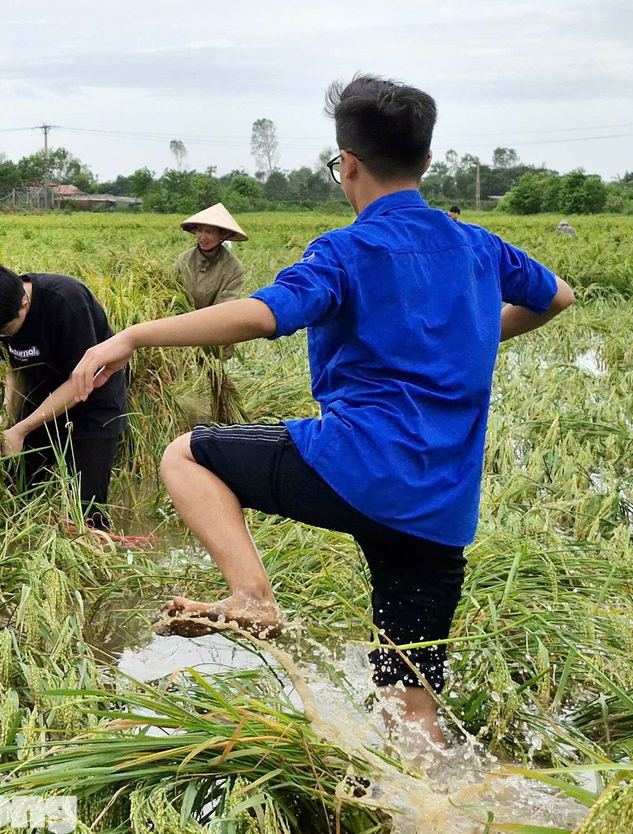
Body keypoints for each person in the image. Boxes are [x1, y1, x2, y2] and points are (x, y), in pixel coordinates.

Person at [70, 74, 574, 747]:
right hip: (441, 509)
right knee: (412, 706)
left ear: (349, 165)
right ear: (427, 163)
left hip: (357, 468)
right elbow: (559, 296)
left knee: (185, 453)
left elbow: (263, 315)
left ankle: (251, 597)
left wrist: (131, 335)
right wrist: (473, 338)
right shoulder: (478, 245)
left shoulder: (347, 249)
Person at [0, 259, 127, 529]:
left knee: (87, 513)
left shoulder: (66, 301)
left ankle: (93, 557)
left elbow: (80, 383)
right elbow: (14, 368)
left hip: (92, 400)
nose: (1, 336)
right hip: (40, 402)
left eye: (5, 331)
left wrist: (22, 429)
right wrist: (7, 418)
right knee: (20, 496)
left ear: (24, 303)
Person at [173, 202, 248, 313]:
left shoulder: (233, 267)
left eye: (209, 232)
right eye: (199, 230)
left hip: (215, 322)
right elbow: (173, 291)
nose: (202, 237)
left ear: (222, 235)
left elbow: (226, 305)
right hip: (182, 317)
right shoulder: (184, 260)